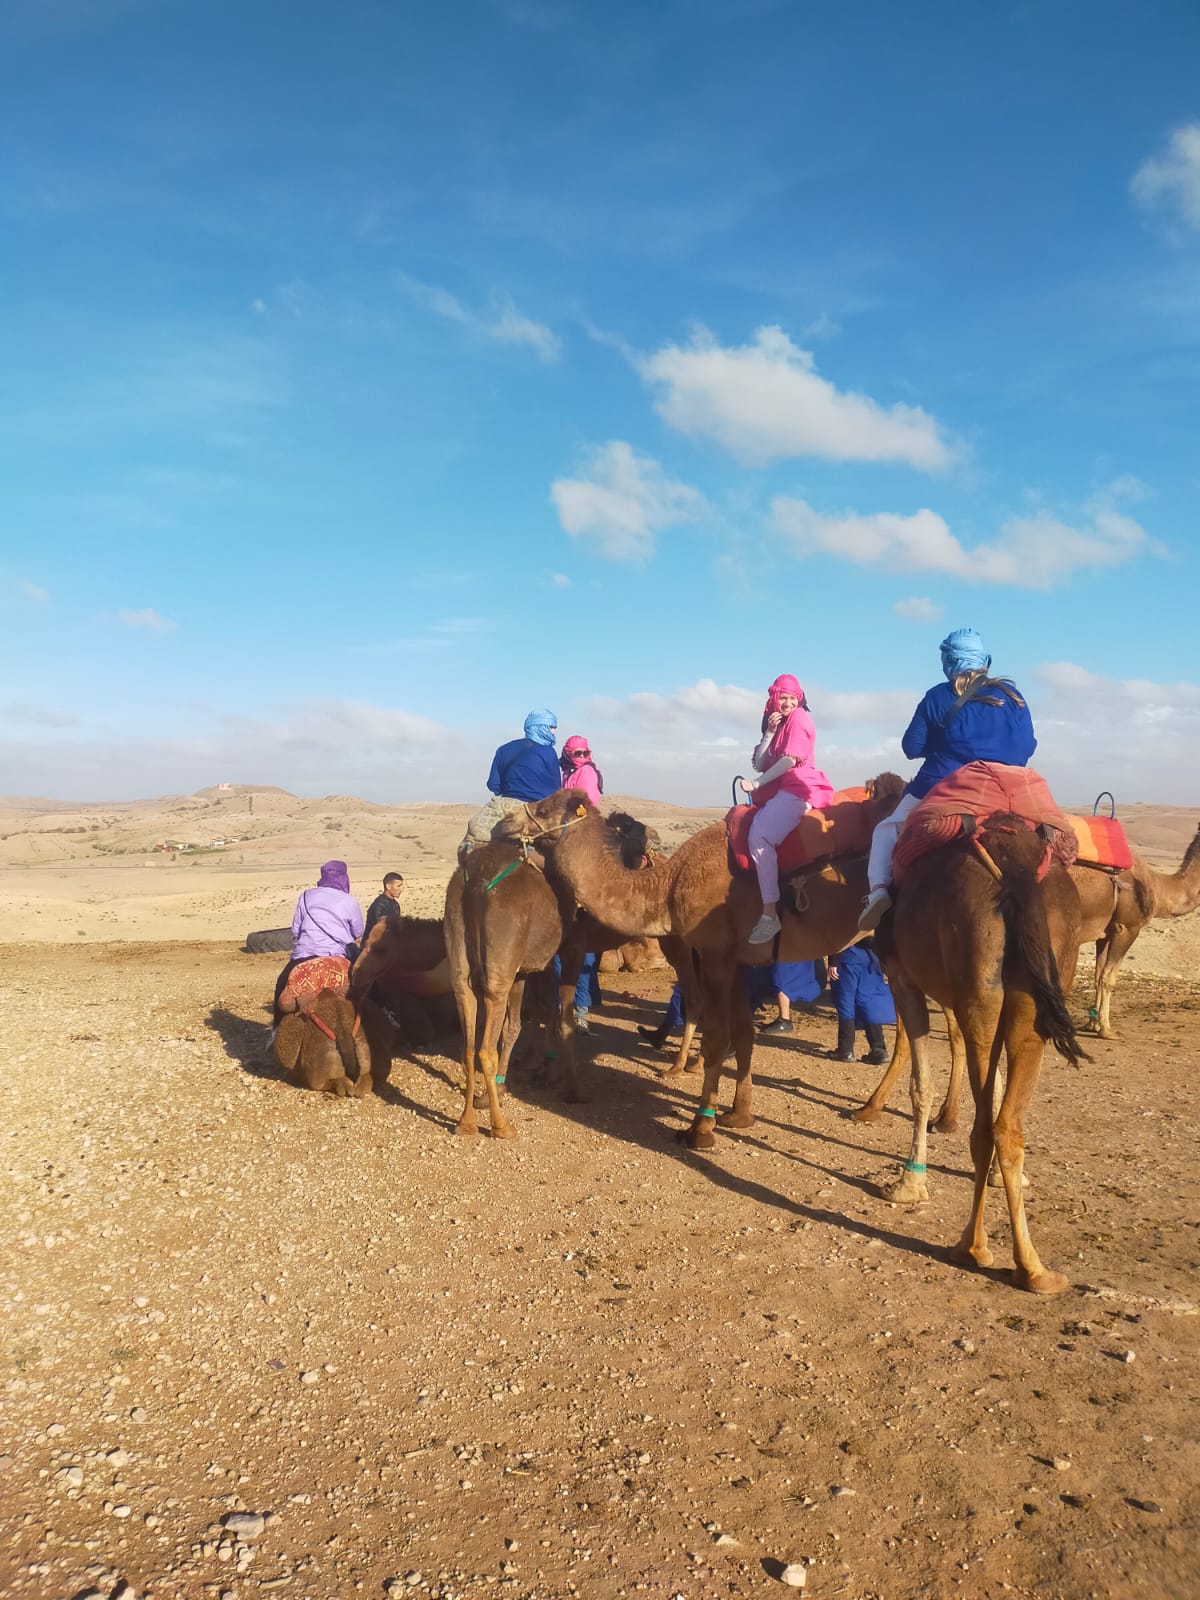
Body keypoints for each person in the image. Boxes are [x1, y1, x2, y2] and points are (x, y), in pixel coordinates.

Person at [857, 628, 1037, 931]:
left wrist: (944, 746)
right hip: (1007, 785)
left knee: (886, 829)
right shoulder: (1013, 696)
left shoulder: (939, 695)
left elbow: (911, 748)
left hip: (946, 784)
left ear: (948, 661)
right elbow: (1027, 746)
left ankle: (877, 893)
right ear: (983, 660)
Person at [742, 673, 835, 945]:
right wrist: (769, 733)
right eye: (783, 697)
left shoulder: (799, 719)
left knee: (759, 837)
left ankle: (770, 914)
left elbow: (789, 760)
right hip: (781, 789)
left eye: (793, 698)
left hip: (798, 788)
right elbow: (760, 762)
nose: (788, 702)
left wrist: (757, 784)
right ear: (774, 699)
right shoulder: (780, 726)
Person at [273, 860, 365, 1024]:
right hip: (338, 955)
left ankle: (275, 1030)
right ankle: (374, 1021)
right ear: (345, 877)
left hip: (305, 954)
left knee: (282, 985)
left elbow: (296, 929)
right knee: (365, 983)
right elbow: (358, 931)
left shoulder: (306, 896)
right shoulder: (349, 900)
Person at [462, 708, 560, 851]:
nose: (553, 732)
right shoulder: (548, 752)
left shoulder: (503, 749)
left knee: (471, 842)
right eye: (551, 727)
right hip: (534, 811)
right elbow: (555, 789)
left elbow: (493, 784)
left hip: (502, 806)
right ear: (540, 727)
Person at [560, 735, 603, 1027]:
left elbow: (585, 803)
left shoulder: (585, 772)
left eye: (584, 751)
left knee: (584, 951)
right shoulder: (565, 773)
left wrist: (572, 817)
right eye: (576, 751)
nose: (581, 755)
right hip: (566, 832)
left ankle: (582, 1013)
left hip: (582, 832)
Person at [826, 939, 894, 1064]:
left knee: (846, 1003)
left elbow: (840, 933)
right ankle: (879, 1050)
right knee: (869, 1002)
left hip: (848, 958)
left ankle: (845, 1050)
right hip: (871, 958)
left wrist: (833, 961)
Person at [757, 958, 828, 1036]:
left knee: (782, 979)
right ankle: (784, 1020)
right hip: (801, 954)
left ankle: (784, 1020)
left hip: (787, 953)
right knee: (784, 978)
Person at [364, 872, 404, 937]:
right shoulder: (379, 905)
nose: (401, 890)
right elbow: (380, 930)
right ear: (388, 886)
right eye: (398, 886)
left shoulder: (395, 904)